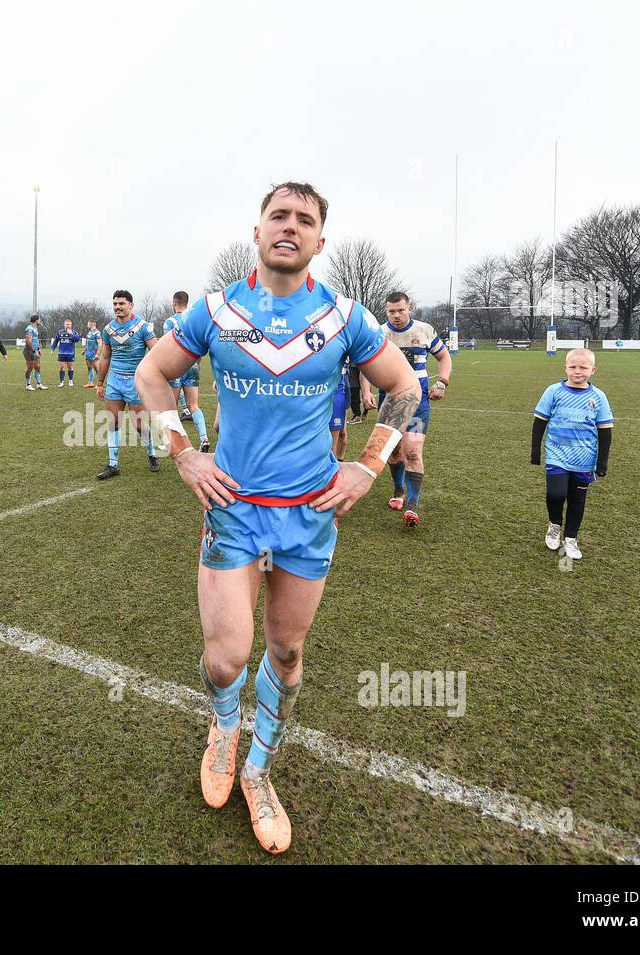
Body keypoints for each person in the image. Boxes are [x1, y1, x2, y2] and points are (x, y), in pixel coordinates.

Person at [134, 182, 418, 854]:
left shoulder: (345, 316)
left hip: (309, 512)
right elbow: (151, 375)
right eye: (279, 216)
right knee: (227, 656)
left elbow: (404, 386)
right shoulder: (215, 310)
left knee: (287, 652)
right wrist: (183, 454)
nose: (290, 226)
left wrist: (368, 467)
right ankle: (224, 726)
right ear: (257, 231)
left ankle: (259, 770)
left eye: (306, 219)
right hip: (231, 510)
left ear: (320, 240)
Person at [377, 291, 452, 527]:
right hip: (389, 401)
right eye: (391, 311)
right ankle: (398, 488)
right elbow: (365, 362)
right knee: (394, 452)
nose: (396, 315)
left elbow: (444, 358)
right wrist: (367, 391)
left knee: (412, 452)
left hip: (418, 402)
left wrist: (442, 382)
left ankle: (412, 505)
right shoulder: (380, 334)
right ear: (386, 311)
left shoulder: (424, 330)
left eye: (401, 310)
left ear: (410, 309)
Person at [532, 348, 613, 560]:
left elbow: (605, 430)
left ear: (593, 370)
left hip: (584, 459)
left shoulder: (598, 397)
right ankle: (555, 525)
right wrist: (535, 450)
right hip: (556, 454)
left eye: (583, 367)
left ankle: (571, 538)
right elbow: (540, 421)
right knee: (556, 494)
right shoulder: (553, 392)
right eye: (573, 367)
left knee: (577, 500)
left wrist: (602, 462)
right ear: (565, 368)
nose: (578, 371)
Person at [95, 290, 158, 479]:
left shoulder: (143, 327)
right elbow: (105, 356)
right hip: (114, 381)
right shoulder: (108, 329)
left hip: (135, 382)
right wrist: (100, 382)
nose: (117, 307)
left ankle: (152, 453)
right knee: (114, 421)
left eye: (121, 303)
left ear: (131, 305)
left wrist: (153, 376)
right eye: (115, 304)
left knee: (139, 424)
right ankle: (113, 464)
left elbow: (155, 352)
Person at [162, 291, 210, 452]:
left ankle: (177, 445)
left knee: (172, 409)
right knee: (194, 406)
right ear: (186, 303)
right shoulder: (194, 319)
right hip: (193, 366)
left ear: (174, 302)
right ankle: (204, 438)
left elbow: (167, 348)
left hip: (176, 367)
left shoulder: (169, 322)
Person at [51, 319, 82, 386]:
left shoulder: (74, 332)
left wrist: (71, 334)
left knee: (70, 367)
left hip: (70, 354)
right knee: (61, 368)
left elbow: (77, 340)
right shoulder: (60, 332)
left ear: (71, 325)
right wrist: (52, 349)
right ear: (64, 324)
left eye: (70, 324)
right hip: (61, 353)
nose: (68, 326)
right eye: (67, 324)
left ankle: (70, 381)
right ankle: (61, 382)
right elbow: (56, 341)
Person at [24, 315, 45, 390]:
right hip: (29, 351)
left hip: (35, 350)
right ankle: (28, 384)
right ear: (36, 320)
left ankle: (39, 384)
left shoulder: (35, 328)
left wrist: (38, 349)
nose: (40, 321)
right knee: (30, 367)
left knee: (38, 367)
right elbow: (29, 342)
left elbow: (36, 340)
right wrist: (33, 351)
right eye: (39, 319)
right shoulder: (29, 329)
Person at [82, 319, 101, 388]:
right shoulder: (89, 332)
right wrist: (85, 350)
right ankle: (90, 383)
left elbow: (100, 344)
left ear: (91, 324)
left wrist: (97, 354)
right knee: (89, 368)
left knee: (97, 368)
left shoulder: (97, 333)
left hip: (94, 353)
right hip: (88, 353)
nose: (87, 325)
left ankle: (99, 384)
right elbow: (88, 342)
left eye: (88, 324)